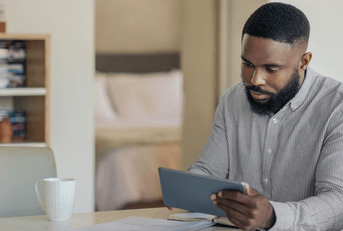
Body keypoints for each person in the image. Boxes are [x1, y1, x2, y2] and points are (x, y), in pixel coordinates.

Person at [186, 2, 343, 231]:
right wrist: (187, 188)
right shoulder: (232, 100)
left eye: (271, 69)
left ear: (304, 61)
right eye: (248, 64)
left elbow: (338, 201)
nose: (255, 80)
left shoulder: (336, 107)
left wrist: (272, 217)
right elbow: (209, 171)